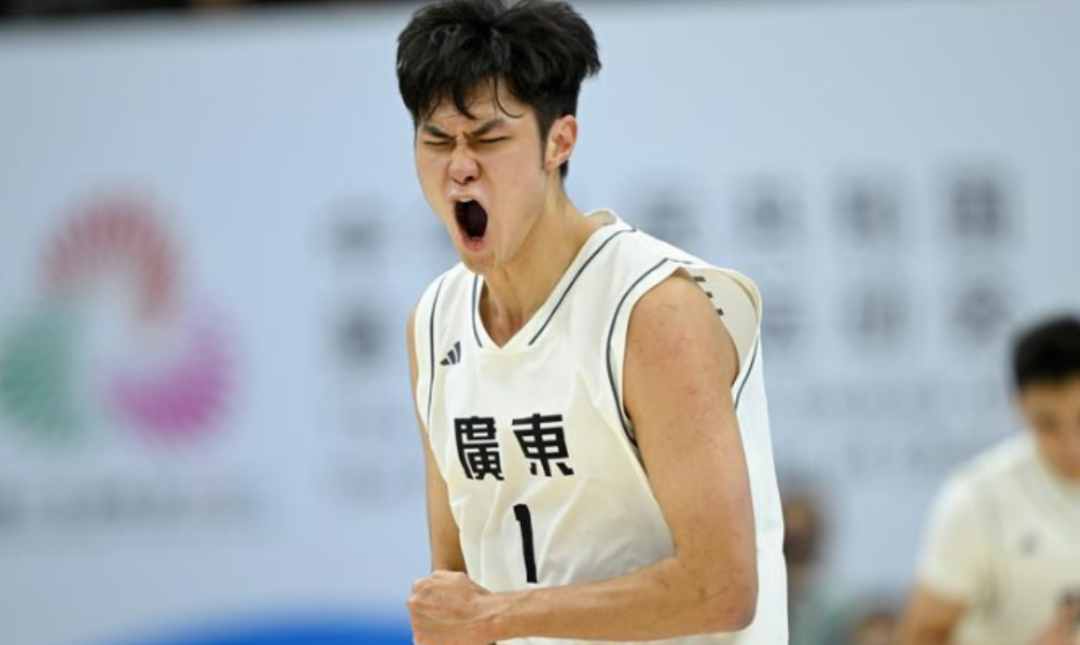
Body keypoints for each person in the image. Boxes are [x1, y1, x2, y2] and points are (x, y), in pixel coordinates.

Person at [397, 1, 786, 644]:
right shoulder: (434, 321)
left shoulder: (651, 309)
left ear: (560, 141)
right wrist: (476, 618)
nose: (459, 166)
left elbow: (721, 587)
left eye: (488, 139)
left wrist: (500, 615)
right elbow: (456, 589)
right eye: (437, 141)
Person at [901, 317, 1080, 645]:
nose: (1072, 444)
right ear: (1019, 407)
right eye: (1047, 424)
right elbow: (919, 636)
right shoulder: (978, 500)